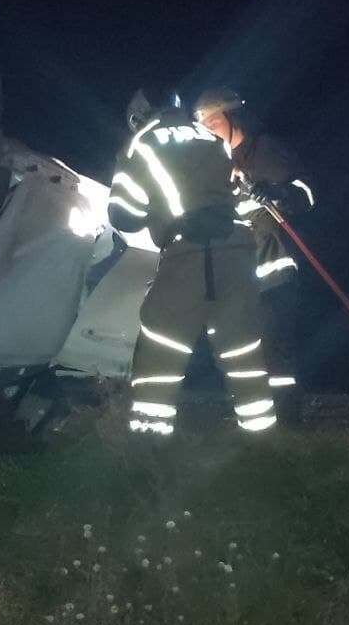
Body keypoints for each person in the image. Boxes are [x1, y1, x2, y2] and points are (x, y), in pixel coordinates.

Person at [108, 89, 277, 436]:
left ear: (137, 117)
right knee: (243, 352)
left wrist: (156, 211)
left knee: (161, 350)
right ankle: (263, 440)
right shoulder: (208, 138)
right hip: (236, 251)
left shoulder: (141, 143)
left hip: (187, 252)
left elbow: (123, 214)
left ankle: (148, 441)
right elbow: (236, 193)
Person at [193, 88, 314, 408]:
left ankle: (286, 416)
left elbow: (305, 193)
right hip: (236, 277)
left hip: (273, 271)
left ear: (233, 118)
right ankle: (252, 414)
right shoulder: (214, 166)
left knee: (275, 349)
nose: (209, 132)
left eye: (214, 123)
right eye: (204, 127)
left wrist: (275, 193)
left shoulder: (264, 150)